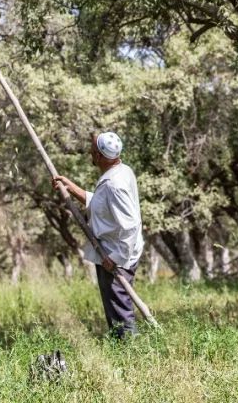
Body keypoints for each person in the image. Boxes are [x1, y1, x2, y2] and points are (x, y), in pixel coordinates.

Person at [53, 131, 144, 338]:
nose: (90, 153)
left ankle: (129, 353)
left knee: (119, 309)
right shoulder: (120, 172)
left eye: (93, 151)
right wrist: (71, 188)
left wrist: (115, 258)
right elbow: (103, 204)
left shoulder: (115, 184)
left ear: (100, 157)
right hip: (113, 251)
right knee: (116, 308)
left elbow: (130, 225)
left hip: (116, 255)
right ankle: (123, 349)